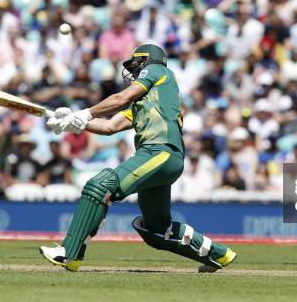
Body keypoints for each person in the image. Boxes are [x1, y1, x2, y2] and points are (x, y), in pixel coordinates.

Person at [39, 44, 237, 272]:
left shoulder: (157, 70)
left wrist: (86, 112)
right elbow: (110, 126)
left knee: (102, 184)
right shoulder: (146, 100)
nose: (132, 71)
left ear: (146, 61)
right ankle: (219, 254)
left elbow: (121, 98)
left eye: (136, 65)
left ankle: (70, 253)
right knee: (156, 230)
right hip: (164, 158)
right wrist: (74, 122)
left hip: (160, 152)